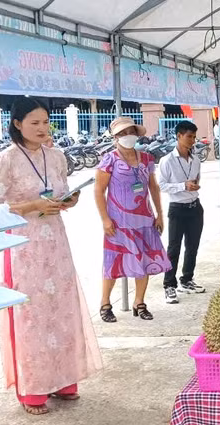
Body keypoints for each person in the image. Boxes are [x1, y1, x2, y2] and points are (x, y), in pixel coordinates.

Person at [0, 97, 102, 415]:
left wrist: (68, 200)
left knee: (61, 310)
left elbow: (61, 192)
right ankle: (33, 387)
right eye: (33, 122)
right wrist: (33, 206)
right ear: (17, 124)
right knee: (31, 314)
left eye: (45, 121)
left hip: (56, 243)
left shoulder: (58, 156)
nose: (41, 128)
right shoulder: (5, 159)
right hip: (24, 245)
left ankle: (64, 378)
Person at [94, 117, 170, 322]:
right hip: (118, 221)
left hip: (144, 219)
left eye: (130, 132)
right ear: (115, 137)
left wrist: (159, 214)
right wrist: (105, 219)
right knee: (113, 261)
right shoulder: (109, 159)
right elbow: (99, 190)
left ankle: (139, 302)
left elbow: (153, 187)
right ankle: (105, 303)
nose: (127, 136)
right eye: (122, 133)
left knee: (144, 259)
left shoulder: (146, 159)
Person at [158, 120, 207, 304]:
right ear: (179, 136)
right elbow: (161, 185)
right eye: (189, 137)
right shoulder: (167, 161)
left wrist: (194, 186)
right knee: (173, 248)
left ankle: (187, 279)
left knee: (192, 246)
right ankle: (169, 285)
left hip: (195, 206)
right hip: (177, 208)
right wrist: (183, 185)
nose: (192, 140)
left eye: (194, 137)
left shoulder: (195, 159)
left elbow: (196, 178)